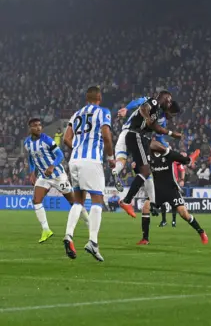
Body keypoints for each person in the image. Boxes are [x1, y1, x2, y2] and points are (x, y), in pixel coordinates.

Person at [62, 86, 115, 262]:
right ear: (99, 97)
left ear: (86, 98)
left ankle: (68, 235)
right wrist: (110, 157)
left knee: (78, 200)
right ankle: (93, 241)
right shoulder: (103, 111)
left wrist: (77, 149)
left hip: (74, 160)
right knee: (97, 200)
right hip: (91, 161)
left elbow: (66, 139)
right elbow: (106, 136)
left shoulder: (76, 114)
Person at [24, 118, 89, 243]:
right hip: (44, 176)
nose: (38, 127)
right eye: (35, 126)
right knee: (36, 200)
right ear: (30, 128)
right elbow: (31, 157)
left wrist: (52, 166)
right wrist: (32, 172)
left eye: (39, 125)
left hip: (58, 175)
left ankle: (89, 223)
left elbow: (60, 155)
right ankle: (46, 230)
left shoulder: (47, 140)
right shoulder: (27, 143)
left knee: (73, 202)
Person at [118, 91, 182, 215]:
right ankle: (127, 201)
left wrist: (171, 135)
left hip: (142, 138)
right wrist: (130, 110)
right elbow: (142, 107)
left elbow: (156, 130)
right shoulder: (154, 102)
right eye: (168, 100)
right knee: (146, 171)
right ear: (163, 99)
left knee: (146, 172)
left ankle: (152, 204)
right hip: (135, 134)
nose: (169, 103)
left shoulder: (159, 115)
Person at [138, 143, 206, 245]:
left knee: (184, 213)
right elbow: (142, 169)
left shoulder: (169, 154)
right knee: (145, 208)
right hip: (157, 191)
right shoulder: (148, 157)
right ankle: (145, 239)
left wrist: (192, 157)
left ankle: (201, 232)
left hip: (171, 189)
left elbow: (185, 161)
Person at [159, 152, 186, 228]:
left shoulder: (176, 160)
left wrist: (182, 180)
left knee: (174, 203)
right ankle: (164, 220)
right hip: (163, 183)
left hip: (173, 183)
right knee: (162, 202)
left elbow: (182, 170)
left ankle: (173, 221)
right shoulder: (161, 160)